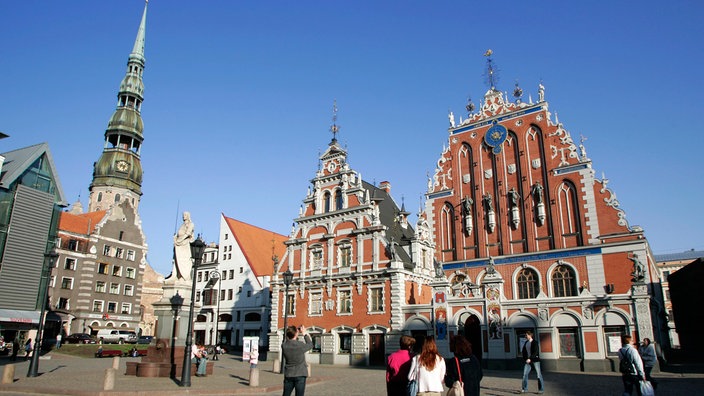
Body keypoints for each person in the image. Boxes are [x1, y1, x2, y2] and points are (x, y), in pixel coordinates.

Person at [282, 325, 313, 396]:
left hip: (289, 373)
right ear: (296, 334)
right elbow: (310, 345)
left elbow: (288, 340)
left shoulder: (284, 346)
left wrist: (294, 333)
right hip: (300, 373)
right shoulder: (300, 345)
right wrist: (304, 334)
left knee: (286, 394)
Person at [169, 211, 196, 281]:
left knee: (183, 260)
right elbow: (179, 233)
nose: (183, 216)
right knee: (175, 259)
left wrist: (180, 240)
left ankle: (183, 276)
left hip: (184, 243)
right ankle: (174, 275)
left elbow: (188, 233)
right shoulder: (182, 225)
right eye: (183, 215)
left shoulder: (191, 224)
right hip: (178, 244)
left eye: (185, 215)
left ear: (188, 216)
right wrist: (176, 237)